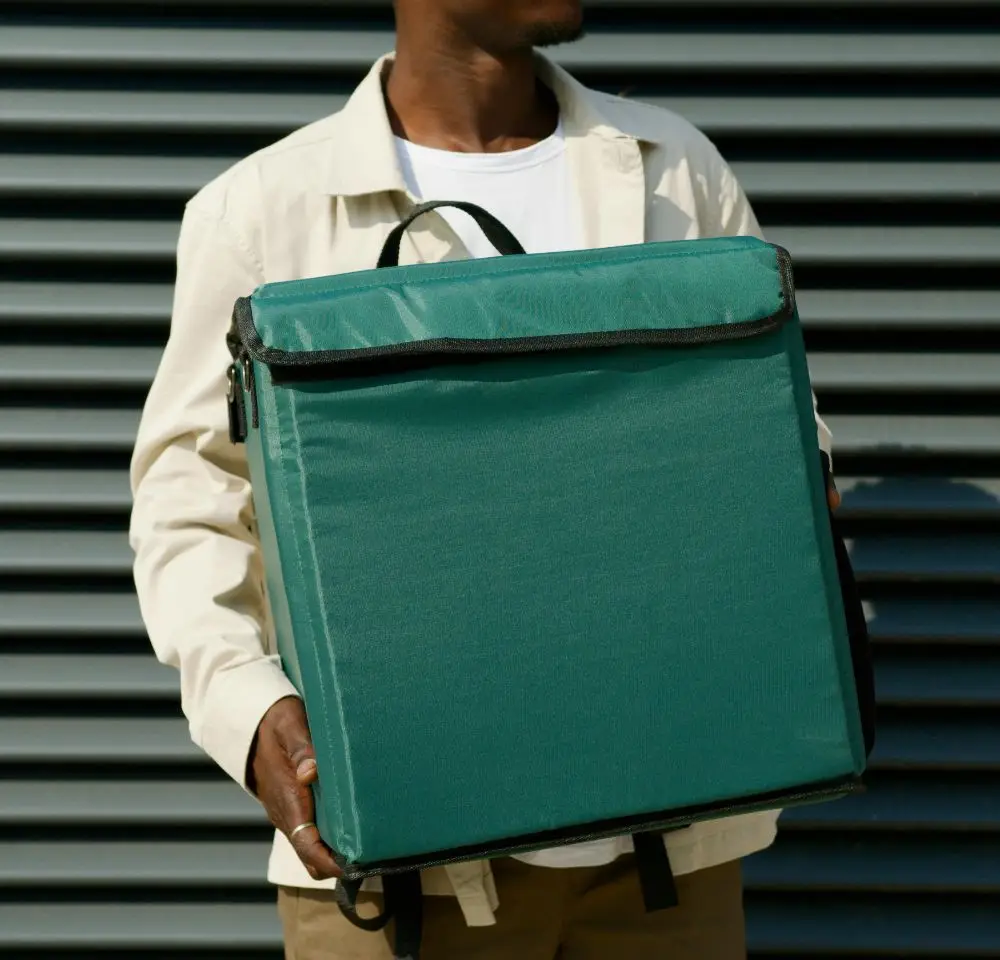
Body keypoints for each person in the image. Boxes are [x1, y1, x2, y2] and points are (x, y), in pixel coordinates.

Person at [130, 0, 840, 956]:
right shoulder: (263, 210)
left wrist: (786, 503)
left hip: (671, 864)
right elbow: (190, 507)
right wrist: (251, 710)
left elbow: (780, 421)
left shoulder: (672, 167)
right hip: (400, 876)